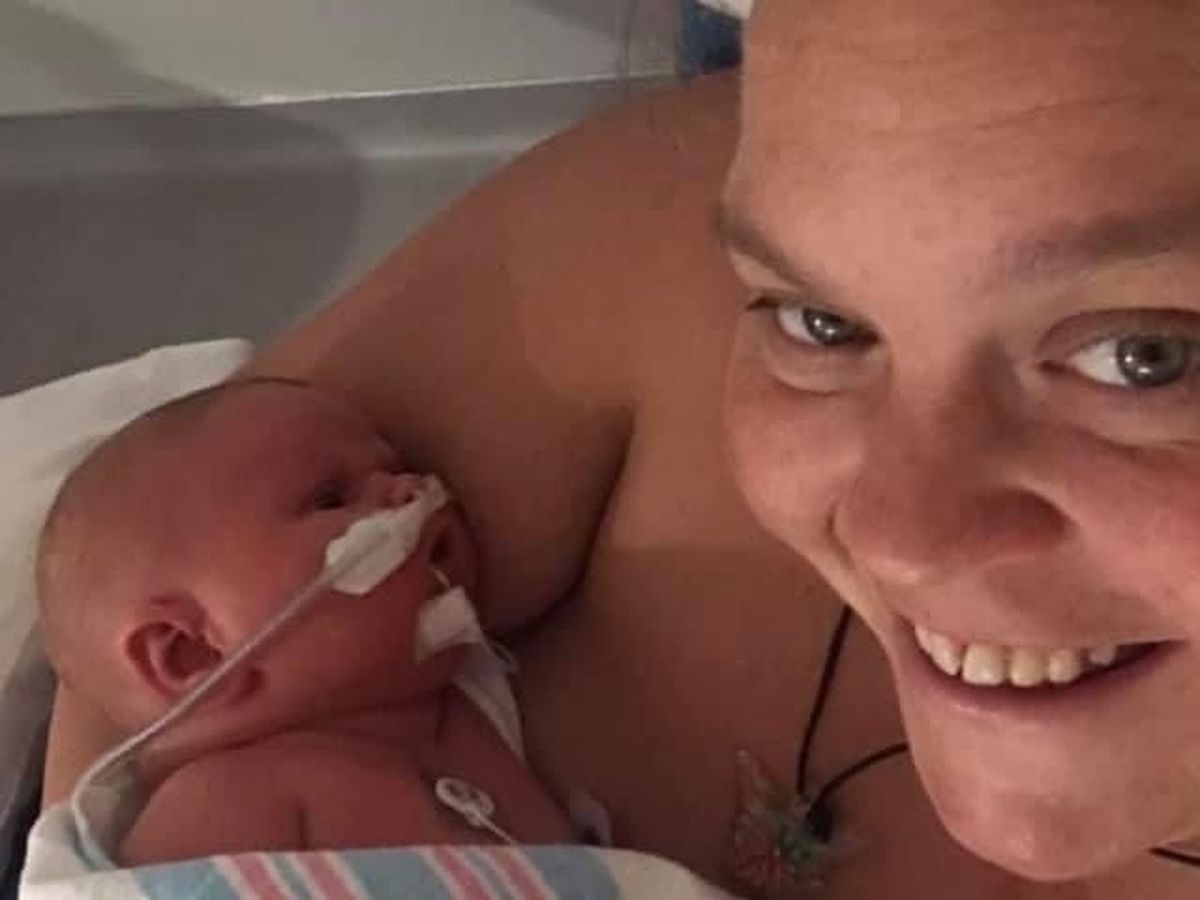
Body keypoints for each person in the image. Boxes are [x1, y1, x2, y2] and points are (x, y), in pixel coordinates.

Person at [41, 0, 1200, 895]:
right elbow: (137, 608)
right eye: (819, 321)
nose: (900, 539)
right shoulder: (661, 237)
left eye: (1148, 358)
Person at [37, 379, 571, 865]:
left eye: (396, 468)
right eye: (330, 498)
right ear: (190, 653)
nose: (411, 490)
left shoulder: (470, 706)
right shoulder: (222, 804)